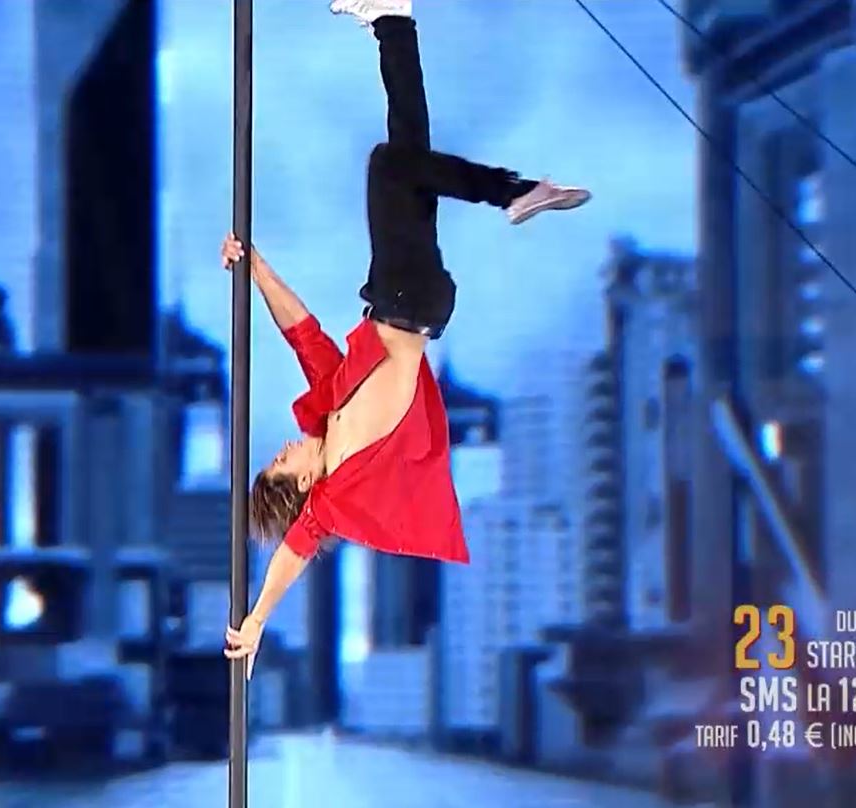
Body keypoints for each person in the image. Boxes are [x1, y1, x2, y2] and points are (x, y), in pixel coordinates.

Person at [224, 0, 590, 676]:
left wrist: (253, 266)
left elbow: (300, 331)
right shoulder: (340, 478)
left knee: (408, 148)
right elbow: (293, 553)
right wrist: (256, 620)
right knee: (389, 165)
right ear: (300, 482)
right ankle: (515, 192)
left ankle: (392, 19)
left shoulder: (332, 406)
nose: (282, 447)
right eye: (280, 461)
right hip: (405, 299)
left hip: (406, 299)